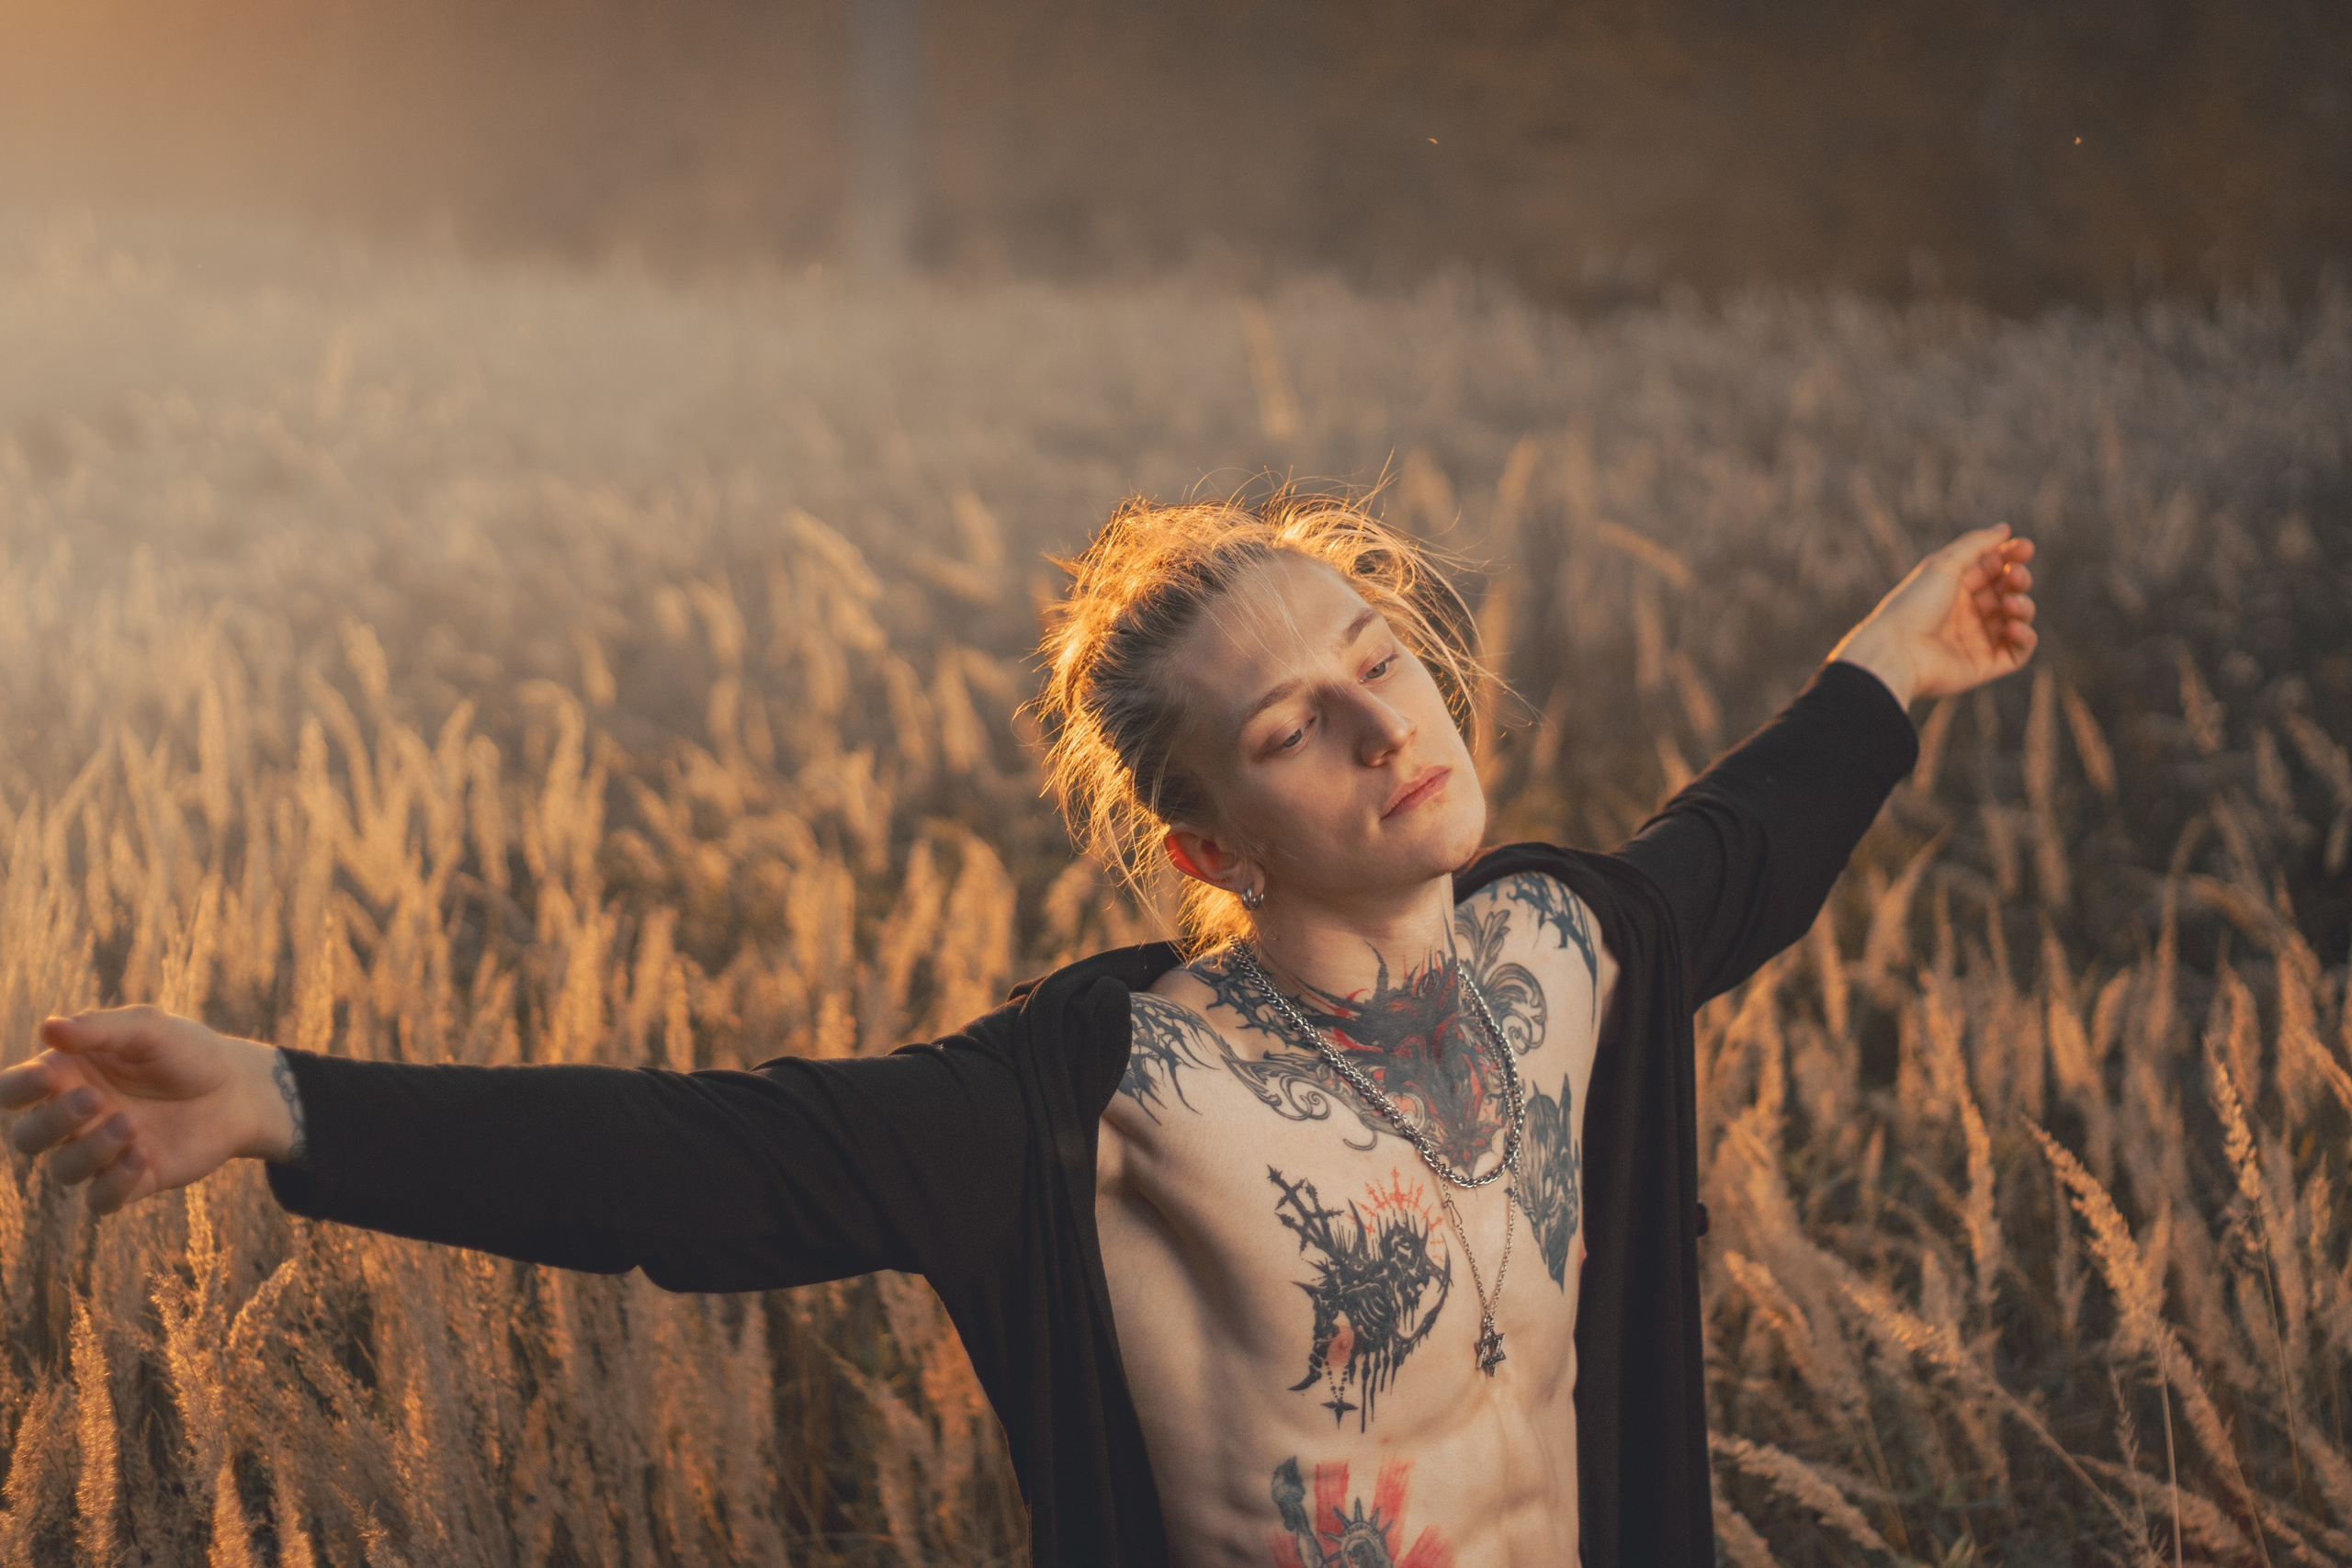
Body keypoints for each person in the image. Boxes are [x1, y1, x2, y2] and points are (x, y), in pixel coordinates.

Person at [1, 493, 2036, 1567]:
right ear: (1209, 841)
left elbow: (1742, 844)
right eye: (1283, 726)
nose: (1372, 720)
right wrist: (285, 1098)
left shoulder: (1568, 944)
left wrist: (1891, 661)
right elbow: (725, 1166)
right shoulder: (1113, 1096)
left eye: (1372, 656)